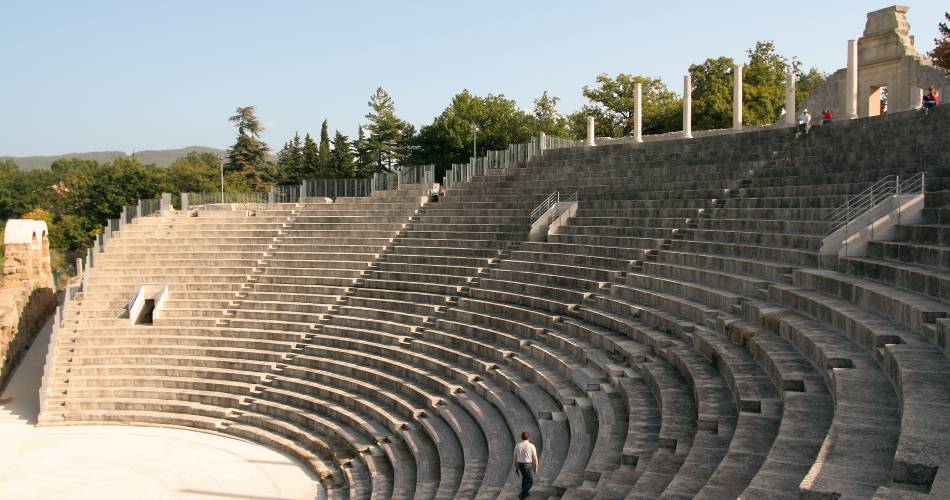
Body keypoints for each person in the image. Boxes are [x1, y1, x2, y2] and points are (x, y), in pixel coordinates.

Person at [513, 431, 539, 499]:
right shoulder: (531, 446)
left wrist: (516, 467)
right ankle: (523, 493)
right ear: (529, 438)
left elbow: (514, 458)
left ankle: (525, 493)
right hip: (527, 465)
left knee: (524, 478)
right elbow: (535, 458)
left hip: (520, 464)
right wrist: (535, 467)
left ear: (521, 437)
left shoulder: (517, 445)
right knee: (530, 481)